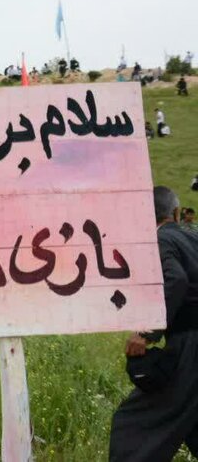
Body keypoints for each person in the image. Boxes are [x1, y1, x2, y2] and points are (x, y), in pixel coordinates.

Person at [109, 186, 198, 461]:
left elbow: (177, 279)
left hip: (190, 345)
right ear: (174, 212)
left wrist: (147, 332)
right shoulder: (193, 236)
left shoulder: (160, 241)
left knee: (132, 425)